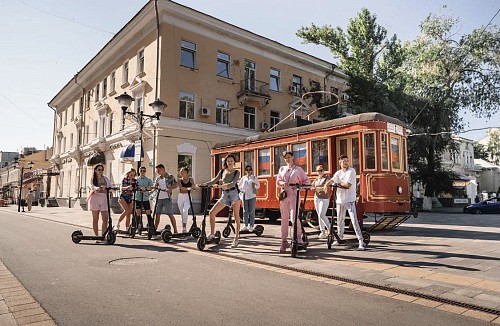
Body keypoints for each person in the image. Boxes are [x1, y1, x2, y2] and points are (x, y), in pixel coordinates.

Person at [198, 154, 241, 248]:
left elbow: (233, 184)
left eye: (231, 160)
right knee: (212, 213)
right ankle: (212, 234)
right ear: (226, 162)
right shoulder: (222, 172)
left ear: (234, 162)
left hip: (234, 194)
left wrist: (220, 186)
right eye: (228, 160)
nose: (229, 162)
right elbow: (214, 181)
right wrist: (203, 184)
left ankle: (236, 238)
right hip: (224, 195)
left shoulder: (236, 172)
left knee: (236, 216)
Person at [324, 155, 365, 250]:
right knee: (340, 220)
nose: (346, 163)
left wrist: (336, 184)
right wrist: (326, 184)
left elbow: (348, 185)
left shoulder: (351, 171)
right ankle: (340, 237)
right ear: (340, 163)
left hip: (349, 199)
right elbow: (332, 180)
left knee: (354, 221)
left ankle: (361, 241)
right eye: (344, 161)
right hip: (339, 200)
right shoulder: (338, 173)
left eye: (347, 161)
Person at [276, 151, 310, 253]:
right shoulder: (282, 169)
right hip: (284, 194)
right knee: (284, 218)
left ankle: (298, 238)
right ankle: (284, 241)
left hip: (294, 194)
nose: (287, 159)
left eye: (289, 157)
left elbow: (306, 181)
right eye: (285, 158)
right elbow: (278, 181)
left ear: (293, 157)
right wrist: (283, 183)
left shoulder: (298, 169)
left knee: (294, 217)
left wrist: (299, 186)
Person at [87, 164, 112, 243]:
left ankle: (103, 236)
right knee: (95, 219)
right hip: (95, 198)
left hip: (104, 198)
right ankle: (96, 236)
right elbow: (91, 186)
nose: (100, 171)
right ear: (95, 170)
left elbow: (110, 187)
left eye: (101, 169)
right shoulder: (93, 179)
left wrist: (107, 188)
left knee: (105, 218)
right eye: (99, 169)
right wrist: (97, 188)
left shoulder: (106, 179)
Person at [153, 164, 178, 235]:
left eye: (158, 170)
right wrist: (152, 187)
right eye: (157, 170)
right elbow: (155, 186)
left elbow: (176, 184)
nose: (157, 172)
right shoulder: (158, 178)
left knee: (170, 214)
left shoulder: (170, 176)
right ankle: (155, 229)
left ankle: (175, 230)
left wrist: (170, 189)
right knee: (157, 214)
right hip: (159, 198)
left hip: (167, 198)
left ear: (163, 169)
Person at [238, 165, 260, 232]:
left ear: (251, 170)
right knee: (245, 211)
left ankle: (251, 225)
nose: (248, 171)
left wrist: (254, 186)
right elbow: (239, 186)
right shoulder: (243, 178)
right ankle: (245, 225)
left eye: (249, 169)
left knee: (251, 211)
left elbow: (258, 185)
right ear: (245, 171)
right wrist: (242, 189)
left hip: (252, 195)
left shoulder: (254, 177)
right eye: (247, 170)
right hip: (245, 195)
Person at [311, 165, 331, 239]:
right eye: (318, 171)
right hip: (317, 198)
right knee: (319, 215)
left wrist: (319, 188)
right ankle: (322, 232)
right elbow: (312, 186)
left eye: (321, 170)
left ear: (323, 170)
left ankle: (330, 229)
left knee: (322, 214)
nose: (320, 172)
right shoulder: (316, 179)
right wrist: (314, 188)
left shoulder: (327, 178)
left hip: (324, 198)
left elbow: (328, 185)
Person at [177, 167, 198, 233]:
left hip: (187, 197)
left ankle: (184, 228)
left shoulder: (191, 179)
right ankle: (183, 227)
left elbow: (193, 186)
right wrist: (188, 188)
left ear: (186, 172)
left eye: (183, 171)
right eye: (181, 172)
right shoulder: (179, 180)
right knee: (182, 213)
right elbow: (181, 188)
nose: (181, 173)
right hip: (180, 196)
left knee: (185, 210)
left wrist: (194, 187)